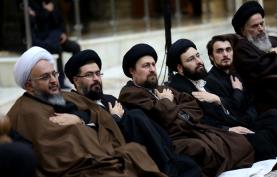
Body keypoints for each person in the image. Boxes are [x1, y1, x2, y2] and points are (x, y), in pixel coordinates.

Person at [6, 46, 166, 177]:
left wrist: (80, 119)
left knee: (136, 149)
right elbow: (50, 150)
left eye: (54, 74)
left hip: (101, 156)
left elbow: (91, 111)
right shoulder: (23, 112)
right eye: (45, 77)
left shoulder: (58, 97)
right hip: (83, 167)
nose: (54, 81)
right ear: (29, 86)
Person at [118, 43, 255, 177]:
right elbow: (160, 119)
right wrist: (166, 101)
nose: (152, 69)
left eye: (153, 64)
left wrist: (171, 109)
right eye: (146, 66)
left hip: (191, 130)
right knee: (200, 148)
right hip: (172, 140)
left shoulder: (160, 89)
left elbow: (193, 106)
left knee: (240, 142)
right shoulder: (130, 94)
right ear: (132, 71)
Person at [64, 49, 203, 177]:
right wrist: (114, 118)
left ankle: (169, 162)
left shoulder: (110, 99)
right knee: (136, 115)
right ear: (76, 80)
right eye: (89, 75)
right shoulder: (72, 102)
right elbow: (86, 127)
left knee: (191, 164)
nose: (96, 78)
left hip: (144, 146)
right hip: (112, 151)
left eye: (98, 73)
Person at [165, 37, 277, 161]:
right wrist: (228, 129)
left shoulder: (200, 78)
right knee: (262, 138)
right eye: (191, 59)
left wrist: (220, 100)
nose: (199, 61)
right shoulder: (181, 89)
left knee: (274, 117)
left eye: (198, 56)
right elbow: (198, 120)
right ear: (180, 68)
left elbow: (244, 102)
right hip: (221, 132)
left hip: (236, 121)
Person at [231, 1, 277, 86]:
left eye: (262, 24)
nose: (261, 28)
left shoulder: (274, 40)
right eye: (255, 26)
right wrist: (276, 55)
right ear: (242, 30)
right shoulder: (242, 48)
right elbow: (259, 69)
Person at [28, 0, 81, 88]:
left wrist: (63, 33)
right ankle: (61, 80)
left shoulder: (53, 3)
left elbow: (60, 20)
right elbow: (37, 22)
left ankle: (76, 75)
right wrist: (47, 11)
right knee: (58, 49)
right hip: (43, 40)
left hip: (56, 36)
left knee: (75, 47)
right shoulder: (31, 3)